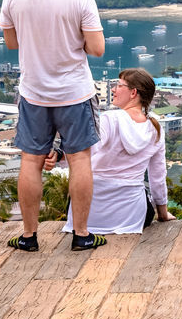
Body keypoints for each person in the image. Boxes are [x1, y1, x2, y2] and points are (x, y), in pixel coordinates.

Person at [0, 0, 107, 252]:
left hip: (33, 93)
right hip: (75, 92)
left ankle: (29, 236)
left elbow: (11, 43)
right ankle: (82, 235)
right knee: (79, 160)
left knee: (30, 162)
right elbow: (97, 49)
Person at [51, 68, 171, 234]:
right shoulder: (155, 128)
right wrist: (163, 213)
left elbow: (86, 151)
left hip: (90, 213)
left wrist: (60, 156)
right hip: (132, 216)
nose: (113, 89)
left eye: (119, 85)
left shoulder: (110, 119)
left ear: (133, 92)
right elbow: (157, 176)